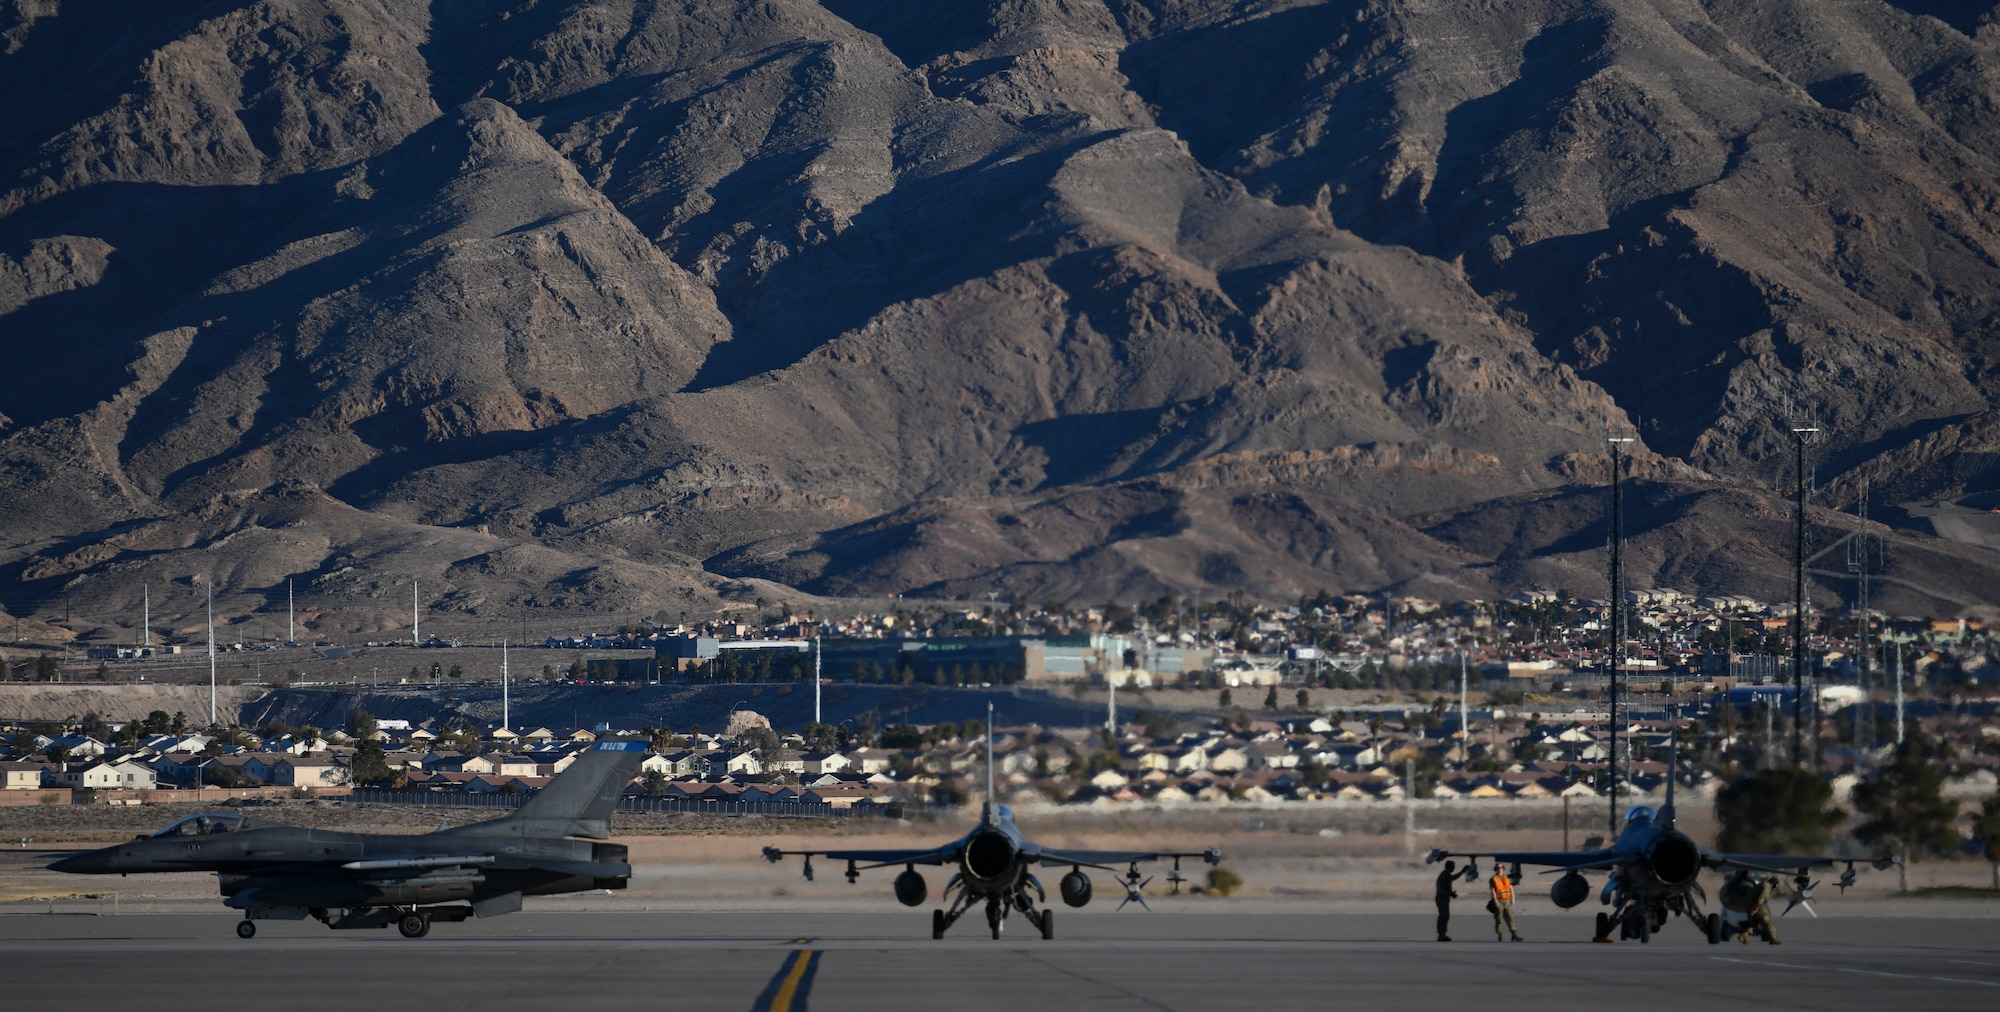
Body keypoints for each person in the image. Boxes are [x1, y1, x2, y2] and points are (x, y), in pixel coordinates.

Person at [1740, 873, 1783, 945]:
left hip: (1748, 904)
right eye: (1776, 886)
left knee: (1754, 923)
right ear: (1774, 884)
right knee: (1768, 921)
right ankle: (1773, 939)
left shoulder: (1763, 884)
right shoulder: (1767, 887)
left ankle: (1744, 935)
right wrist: (1755, 909)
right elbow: (1760, 899)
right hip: (1756, 905)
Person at [1488, 867, 1522, 941]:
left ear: (1503, 869)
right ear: (1496, 869)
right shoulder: (1493, 879)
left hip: (1506, 900)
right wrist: (1496, 901)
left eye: (1501, 868)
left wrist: (1513, 898)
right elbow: (1493, 891)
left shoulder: (1506, 878)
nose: (1500, 869)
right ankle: (1500, 934)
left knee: (1510, 917)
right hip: (1499, 900)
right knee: (1499, 918)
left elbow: (1511, 888)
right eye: (1498, 868)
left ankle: (1514, 934)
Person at [1435, 860, 1458, 941]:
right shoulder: (1444, 875)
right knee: (1444, 916)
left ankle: (1442, 934)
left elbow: (1453, 878)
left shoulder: (1447, 874)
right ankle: (1441, 934)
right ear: (1450, 866)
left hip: (1444, 898)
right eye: (1453, 866)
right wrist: (1449, 893)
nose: (1454, 868)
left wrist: (1462, 871)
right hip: (1442, 899)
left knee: (1445, 916)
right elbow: (1440, 889)